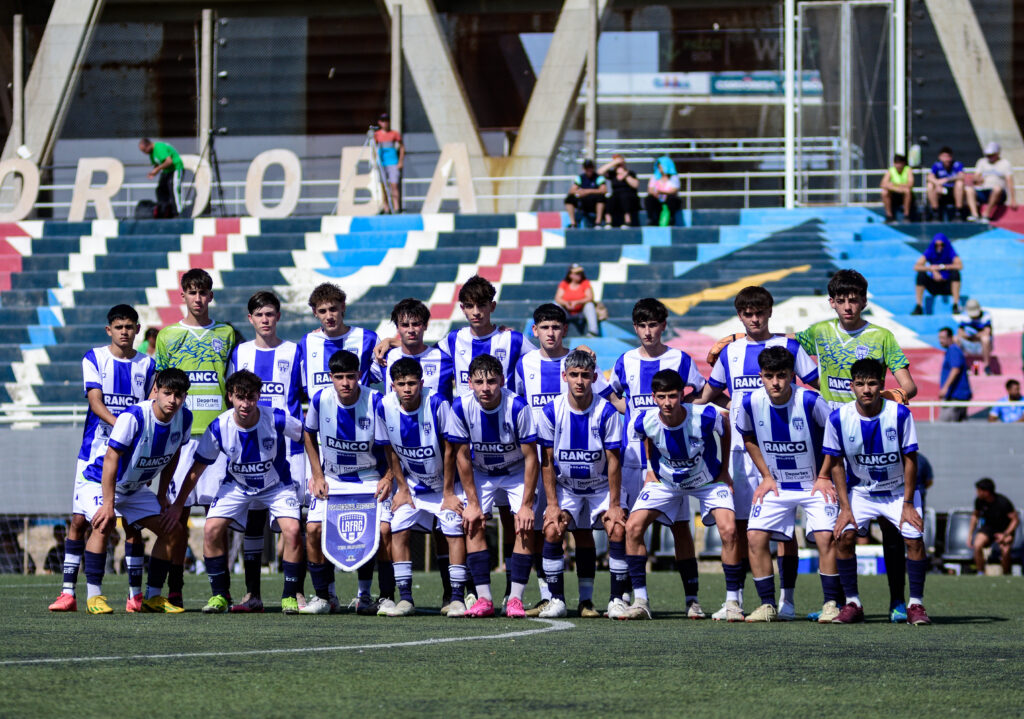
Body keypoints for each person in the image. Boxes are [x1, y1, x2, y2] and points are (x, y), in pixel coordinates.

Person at [797, 269, 918, 623]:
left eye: (855, 299)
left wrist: (889, 395)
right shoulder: (818, 332)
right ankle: (839, 603)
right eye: (842, 300)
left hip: (872, 439)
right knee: (836, 525)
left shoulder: (882, 336)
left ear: (864, 300)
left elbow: (908, 386)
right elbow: (778, 341)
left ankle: (898, 602)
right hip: (833, 442)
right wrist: (735, 336)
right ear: (832, 302)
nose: (848, 306)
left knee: (892, 528)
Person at [694, 286, 820, 621]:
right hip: (739, 449)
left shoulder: (790, 347)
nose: (754, 319)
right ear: (740, 315)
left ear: (770, 312)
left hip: (784, 453)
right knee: (737, 527)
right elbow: (709, 394)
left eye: (759, 312)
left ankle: (787, 600)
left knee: (784, 531)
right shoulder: (730, 352)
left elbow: (817, 386)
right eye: (747, 313)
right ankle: (734, 601)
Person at [165, 370, 305, 614]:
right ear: (230, 397)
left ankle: (289, 597)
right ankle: (220, 595)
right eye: (240, 397)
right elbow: (197, 469)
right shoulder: (219, 426)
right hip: (238, 486)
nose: (245, 403)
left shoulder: (276, 419)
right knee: (211, 529)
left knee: (292, 531)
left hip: (276, 485)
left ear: (258, 397)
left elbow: (306, 435)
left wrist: (317, 474)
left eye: (251, 397)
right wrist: (178, 503)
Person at [49, 304, 156, 613]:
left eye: (129, 326)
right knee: (81, 519)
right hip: (93, 452)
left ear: (137, 329)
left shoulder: (148, 365)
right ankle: (68, 591)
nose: (124, 331)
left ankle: (134, 595)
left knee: (133, 523)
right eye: (119, 326)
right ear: (109, 330)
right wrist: (122, 425)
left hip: (131, 456)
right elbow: (96, 403)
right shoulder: (94, 357)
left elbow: (148, 406)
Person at [514, 306, 620, 617]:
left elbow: (614, 403)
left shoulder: (587, 372)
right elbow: (543, 455)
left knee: (597, 530)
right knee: (547, 527)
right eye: (544, 327)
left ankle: (597, 600)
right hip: (549, 470)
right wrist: (551, 502)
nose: (550, 332)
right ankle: (551, 597)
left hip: (596, 479)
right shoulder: (526, 367)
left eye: (556, 327)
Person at [610, 298, 705, 618]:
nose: (647, 332)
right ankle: (635, 596)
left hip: (669, 461)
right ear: (635, 327)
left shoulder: (679, 359)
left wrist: (683, 416)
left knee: (679, 528)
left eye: (653, 325)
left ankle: (692, 598)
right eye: (641, 326)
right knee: (628, 526)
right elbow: (611, 393)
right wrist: (631, 413)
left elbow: (701, 391)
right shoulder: (625, 360)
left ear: (663, 325)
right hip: (632, 460)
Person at [735, 346, 841, 623]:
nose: (776, 382)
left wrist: (824, 476)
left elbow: (834, 438)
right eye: (769, 376)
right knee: (755, 536)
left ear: (792, 375)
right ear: (761, 376)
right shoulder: (750, 402)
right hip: (777, 485)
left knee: (825, 538)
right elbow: (748, 438)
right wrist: (766, 476)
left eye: (781, 375)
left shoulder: (810, 400)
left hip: (815, 484)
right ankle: (768, 604)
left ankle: (831, 603)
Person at [618, 370, 735, 621]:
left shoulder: (704, 415)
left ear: (682, 394)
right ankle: (640, 600)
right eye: (662, 397)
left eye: (673, 396)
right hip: (666, 483)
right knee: (633, 528)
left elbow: (725, 424)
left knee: (729, 529)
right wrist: (651, 469)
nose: (668, 402)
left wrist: (724, 469)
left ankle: (730, 602)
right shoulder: (643, 420)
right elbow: (647, 437)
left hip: (707, 481)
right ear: (654, 397)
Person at [822, 358, 931, 625]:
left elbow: (910, 460)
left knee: (914, 539)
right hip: (862, 492)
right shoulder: (838, 418)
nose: (866, 389)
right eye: (860, 384)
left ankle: (915, 605)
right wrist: (845, 508)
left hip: (897, 493)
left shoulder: (900, 414)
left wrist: (907, 503)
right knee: (844, 538)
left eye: (872, 383)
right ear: (852, 386)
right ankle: (853, 603)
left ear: (882, 385)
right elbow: (835, 465)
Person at [156, 268, 238, 607]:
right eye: (192, 292)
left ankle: (221, 592)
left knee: (219, 518)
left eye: (203, 292)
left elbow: (234, 384)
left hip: (217, 435)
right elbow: (157, 389)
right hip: (180, 435)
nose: (198, 298)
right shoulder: (167, 336)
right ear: (183, 296)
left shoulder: (227, 333)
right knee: (176, 517)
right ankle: (174, 590)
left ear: (211, 295)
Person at [86, 368, 194, 614]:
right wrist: (108, 503)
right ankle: (94, 597)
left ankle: (152, 597)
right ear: (156, 390)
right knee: (104, 523)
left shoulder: (184, 418)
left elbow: (175, 453)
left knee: (173, 530)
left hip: (134, 489)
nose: (172, 400)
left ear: (185, 396)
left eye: (178, 395)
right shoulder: (134, 416)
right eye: (167, 393)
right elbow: (112, 457)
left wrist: (162, 494)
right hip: (99, 481)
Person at [226, 291, 305, 613]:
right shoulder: (240, 353)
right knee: (254, 520)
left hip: (290, 450)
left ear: (278, 316)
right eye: (259, 315)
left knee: (292, 522)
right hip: (249, 450)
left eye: (270, 314)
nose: (265, 320)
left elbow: (302, 395)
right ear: (251, 319)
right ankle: (252, 593)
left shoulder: (293, 351)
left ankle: (295, 591)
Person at [445, 354, 539, 618]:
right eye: (479, 382)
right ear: (469, 382)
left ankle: (515, 600)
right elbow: (461, 456)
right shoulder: (461, 407)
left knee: (524, 524)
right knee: (472, 521)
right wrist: (473, 504)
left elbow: (532, 457)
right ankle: (484, 599)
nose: (485, 388)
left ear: (502, 380)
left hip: (516, 472)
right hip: (483, 472)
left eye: (491, 381)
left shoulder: (517, 407)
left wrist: (527, 505)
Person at [301, 350, 392, 615]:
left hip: (370, 477)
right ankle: (324, 596)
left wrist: (388, 477)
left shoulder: (376, 401)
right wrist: (317, 475)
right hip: (333, 478)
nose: (345, 383)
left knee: (384, 532)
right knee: (314, 530)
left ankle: (378, 596)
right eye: (339, 377)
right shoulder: (320, 399)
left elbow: (392, 445)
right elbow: (309, 435)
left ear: (360, 376)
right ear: (330, 377)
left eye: (350, 377)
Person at [536, 349, 623, 619]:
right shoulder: (551, 412)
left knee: (617, 527)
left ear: (595, 377)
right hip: (567, 487)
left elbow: (613, 462)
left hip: (600, 488)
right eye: (574, 375)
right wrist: (552, 504)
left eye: (586, 375)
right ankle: (557, 600)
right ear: (564, 376)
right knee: (552, 528)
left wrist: (616, 505)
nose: (580, 381)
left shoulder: (606, 412)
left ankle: (614, 600)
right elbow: (547, 461)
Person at [376, 358, 467, 617]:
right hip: (414, 486)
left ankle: (457, 598)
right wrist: (402, 487)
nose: (407, 389)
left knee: (452, 530)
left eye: (412, 383)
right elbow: (389, 449)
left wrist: (448, 492)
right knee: (398, 528)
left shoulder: (437, 403)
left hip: (446, 486)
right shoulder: (384, 407)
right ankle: (405, 598)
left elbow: (451, 450)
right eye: (402, 384)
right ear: (392, 385)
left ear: (421, 383)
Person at [370, 298, 454, 402]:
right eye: (405, 325)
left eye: (416, 324)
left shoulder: (445, 359)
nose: (410, 330)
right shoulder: (385, 358)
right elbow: (356, 379)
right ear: (397, 327)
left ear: (425, 325)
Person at [968, 478, 1020, 575]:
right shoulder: (979, 501)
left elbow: (1015, 520)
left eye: (979, 490)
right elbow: (975, 516)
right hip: (989, 528)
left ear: (986, 492)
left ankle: (1006, 574)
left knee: (1005, 551)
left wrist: (1005, 534)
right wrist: (970, 534)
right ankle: (980, 572)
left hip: (1004, 529)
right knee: (977, 544)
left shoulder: (1003, 502)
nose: (977, 493)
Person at [911, 233, 962, 315]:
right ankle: (919, 306)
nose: (939, 247)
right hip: (934, 285)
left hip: (947, 285)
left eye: (942, 245)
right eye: (937, 245)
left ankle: (955, 305)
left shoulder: (949, 251)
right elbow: (916, 266)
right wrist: (931, 269)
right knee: (921, 275)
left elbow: (960, 265)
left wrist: (943, 267)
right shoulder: (930, 251)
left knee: (955, 273)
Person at [966, 141, 1017, 223]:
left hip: (999, 193)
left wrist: (1013, 199)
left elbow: (1010, 182)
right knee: (969, 190)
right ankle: (974, 215)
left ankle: (986, 214)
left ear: (997, 153)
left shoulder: (1005, 163)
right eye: (988, 155)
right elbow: (976, 177)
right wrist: (977, 179)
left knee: (997, 188)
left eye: (991, 155)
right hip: (984, 191)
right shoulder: (982, 162)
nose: (989, 157)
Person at [139, 137, 183, 218]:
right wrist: (154, 173)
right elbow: (157, 164)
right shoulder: (151, 153)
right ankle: (165, 210)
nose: (144, 153)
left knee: (173, 189)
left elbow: (169, 161)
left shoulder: (159, 148)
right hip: (166, 171)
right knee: (160, 190)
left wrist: (157, 169)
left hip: (175, 168)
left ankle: (178, 213)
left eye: (144, 150)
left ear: (148, 145)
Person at [555, 264, 600, 337]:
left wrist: (578, 302)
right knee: (556, 306)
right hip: (567, 312)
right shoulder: (564, 284)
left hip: (581, 312)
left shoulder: (585, 283)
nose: (579, 275)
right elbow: (558, 298)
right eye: (576, 273)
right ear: (570, 275)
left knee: (589, 305)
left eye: (580, 273)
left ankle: (593, 331)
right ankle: (557, 330)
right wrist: (566, 303)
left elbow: (590, 297)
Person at [937, 327, 971, 421]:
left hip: (955, 395)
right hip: (956, 395)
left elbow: (955, 369)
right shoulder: (952, 350)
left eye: (943, 338)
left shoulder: (953, 350)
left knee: (944, 425)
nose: (941, 341)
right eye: (939, 338)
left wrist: (945, 388)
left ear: (950, 337)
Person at [598, 154, 640, 227]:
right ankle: (608, 222)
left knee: (624, 197)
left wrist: (624, 174)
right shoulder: (613, 174)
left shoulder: (630, 173)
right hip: (616, 195)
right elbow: (600, 172)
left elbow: (635, 185)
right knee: (609, 199)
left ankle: (627, 221)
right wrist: (613, 163)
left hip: (628, 195)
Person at [374, 112, 404, 214]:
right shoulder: (376, 135)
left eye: (386, 121)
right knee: (383, 186)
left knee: (394, 185)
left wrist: (400, 161)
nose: (385, 123)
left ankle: (396, 207)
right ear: (379, 122)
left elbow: (402, 147)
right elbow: (373, 149)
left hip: (393, 162)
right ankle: (386, 207)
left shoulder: (395, 133)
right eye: (383, 121)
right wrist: (375, 160)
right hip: (382, 164)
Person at [564, 159, 607, 228]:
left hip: (594, 199)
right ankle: (573, 223)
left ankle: (598, 222)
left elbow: (603, 190)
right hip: (583, 200)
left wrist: (588, 191)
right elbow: (572, 190)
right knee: (569, 199)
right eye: (587, 168)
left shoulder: (598, 177)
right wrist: (580, 192)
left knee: (601, 198)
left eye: (590, 167)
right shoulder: (580, 178)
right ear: (584, 169)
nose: (589, 170)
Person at [926, 146, 965, 220]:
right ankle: (935, 212)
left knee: (959, 183)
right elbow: (929, 177)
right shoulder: (936, 165)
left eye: (948, 156)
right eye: (944, 156)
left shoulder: (957, 164)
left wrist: (947, 179)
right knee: (930, 185)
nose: (946, 159)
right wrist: (937, 183)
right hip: (941, 191)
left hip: (953, 190)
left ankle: (958, 212)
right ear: (940, 157)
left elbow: (962, 176)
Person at [956, 298, 994, 374]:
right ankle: (963, 365)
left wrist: (974, 336)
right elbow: (960, 332)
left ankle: (987, 366)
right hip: (969, 343)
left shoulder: (986, 316)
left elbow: (987, 332)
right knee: (956, 339)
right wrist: (967, 336)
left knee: (985, 339)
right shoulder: (964, 316)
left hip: (981, 344)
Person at [644, 156, 682, 226]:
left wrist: (660, 191)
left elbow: (674, 190)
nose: (659, 169)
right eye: (658, 167)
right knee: (649, 199)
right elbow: (650, 190)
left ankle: (671, 218)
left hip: (669, 200)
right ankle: (651, 219)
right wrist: (656, 193)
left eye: (661, 167)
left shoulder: (674, 177)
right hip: (658, 199)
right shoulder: (655, 177)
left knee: (672, 199)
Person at [880, 153, 914, 223]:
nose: (898, 165)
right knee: (884, 192)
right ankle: (889, 216)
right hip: (894, 194)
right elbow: (883, 184)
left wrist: (895, 185)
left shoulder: (908, 170)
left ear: (903, 163)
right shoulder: (891, 170)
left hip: (904, 194)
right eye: (896, 163)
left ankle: (906, 215)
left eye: (900, 163)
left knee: (907, 191)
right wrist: (897, 188)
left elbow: (910, 184)